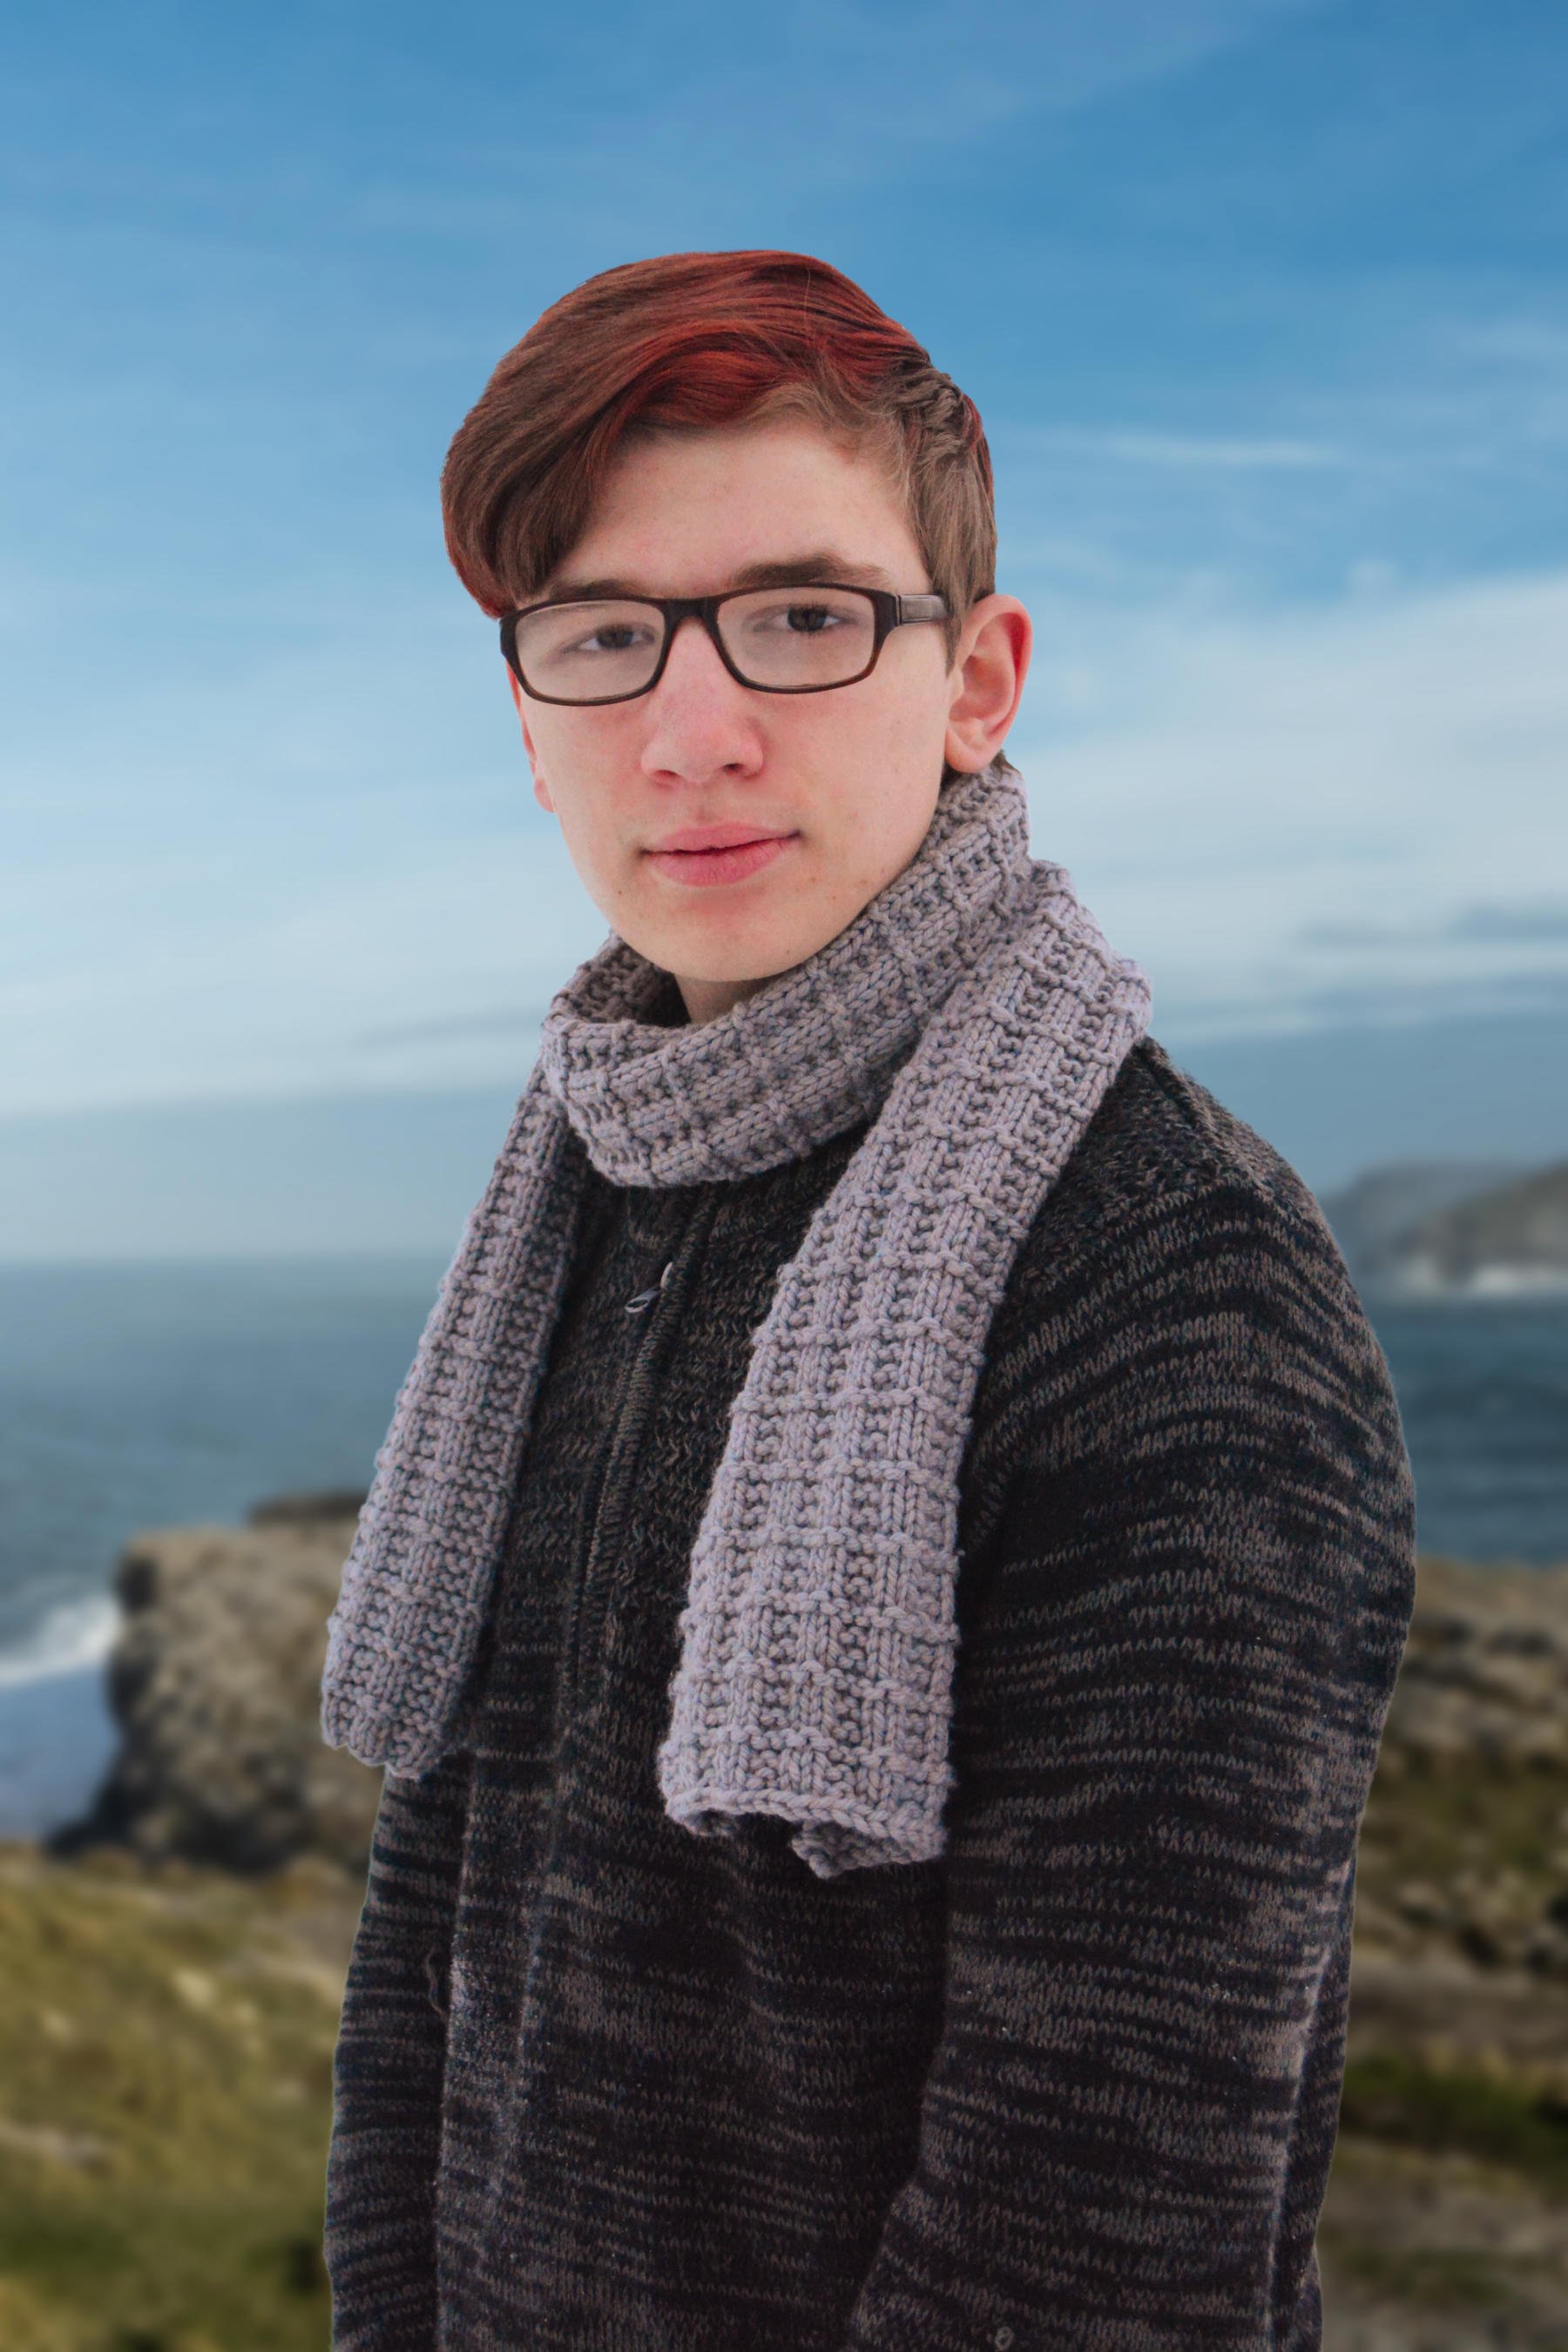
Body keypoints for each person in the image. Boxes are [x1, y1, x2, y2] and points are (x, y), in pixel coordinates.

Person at [320, 249, 1416, 2351]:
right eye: (605, 638)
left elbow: (1101, 2232)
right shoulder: (587, 1198)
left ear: (978, 679)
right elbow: (436, 1942)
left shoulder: (1178, 1284)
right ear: (530, 723)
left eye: (806, 619)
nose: (696, 731)